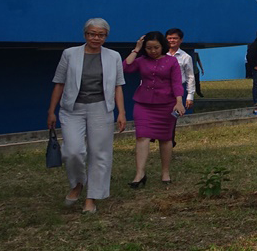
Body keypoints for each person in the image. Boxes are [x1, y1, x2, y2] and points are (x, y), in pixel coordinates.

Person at [47, 18, 127, 214]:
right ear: (85, 34)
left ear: (106, 36)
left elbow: (118, 86)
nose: (96, 38)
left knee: (99, 153)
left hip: (101, 108)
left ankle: (92, 197)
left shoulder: (114, 56)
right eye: (92, 34)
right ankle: (78, 184)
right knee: (72, 151)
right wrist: (51, 110)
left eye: (101, 35)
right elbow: (59, 82)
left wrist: (122, 112)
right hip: (72, 109)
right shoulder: (70, 54)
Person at [124, 31, 185, 187]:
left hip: (166, 104)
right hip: (143, 104)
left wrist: (179, 101)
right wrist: (136, 49)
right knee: (142, 136)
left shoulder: (171, 62)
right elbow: (126, 67)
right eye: (149, 48)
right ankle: (140, 174)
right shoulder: (141, 61)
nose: (153, 51)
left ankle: (165, 172)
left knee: (165, 138)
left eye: (156, 47)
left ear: (162, 46)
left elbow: (176, 83)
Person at [165, 28, 196, 112]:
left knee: (176, 115)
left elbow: (190, 77)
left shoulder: (185, 57)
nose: (172, 40)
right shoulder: (161, 55)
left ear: (181, 40)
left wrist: (190, 96)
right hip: (162, 90)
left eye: (175, 38)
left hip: (178, 90)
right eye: (169, 38)